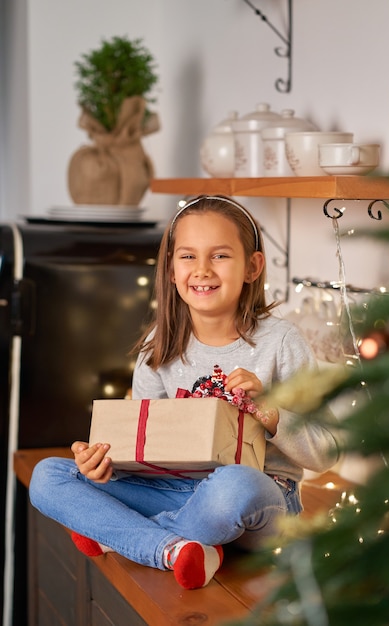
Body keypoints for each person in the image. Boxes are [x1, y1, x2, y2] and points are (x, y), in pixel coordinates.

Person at [29, 195, 339, 590]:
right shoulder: (158, 347)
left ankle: (126, 537)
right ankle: (177, 549)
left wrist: (272, 412)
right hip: (175, 491)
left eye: (221, 255)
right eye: (188, 257)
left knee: (236, 483)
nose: (202, 270)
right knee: (49, 476)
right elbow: (141, 454)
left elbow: (327, 453)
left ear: (252, 267)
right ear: (171, 270)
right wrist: (104, 467)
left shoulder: (281, 342)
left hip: (262, 500)